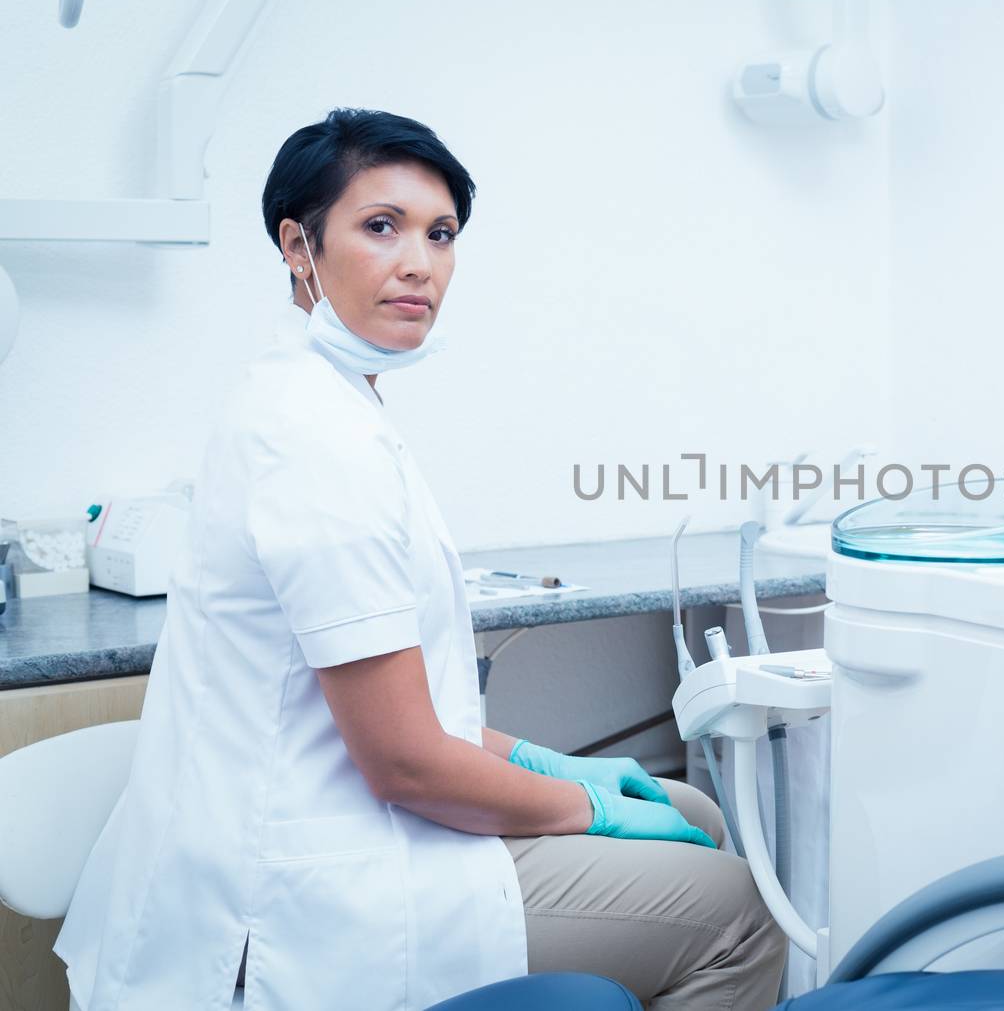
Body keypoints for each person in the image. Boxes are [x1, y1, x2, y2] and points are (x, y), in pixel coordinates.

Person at [54, 108, 786, 1011]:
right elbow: (403, 758)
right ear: (297, 246)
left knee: (696, 816)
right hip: (302, 901)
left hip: (341, 820)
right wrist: (589, 808)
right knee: (738, 910)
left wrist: (566, 768)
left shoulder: (321, 402)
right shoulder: (313, 440)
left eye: (440, 234)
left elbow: (409, 710)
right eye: (380, 226)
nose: (419, 262)